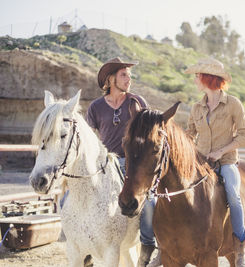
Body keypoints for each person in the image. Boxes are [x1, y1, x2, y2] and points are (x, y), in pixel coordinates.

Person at [86, 57, 160, 267]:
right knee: (75, 198)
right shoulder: (95, 107)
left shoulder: (137, 102)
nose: (129, 79)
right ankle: (86, 247)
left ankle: (147, 247)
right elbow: (91, 139)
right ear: (111, 80)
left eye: (129, 75)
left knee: (150, 202)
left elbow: (149, 135)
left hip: (133, 165)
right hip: (105, 164)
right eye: (124, 75)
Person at [185, 58, 245, 267]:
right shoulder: (196, 108)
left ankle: (240, 245)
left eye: (197, 76)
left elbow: (244, 136)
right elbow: (189, 135)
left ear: (208, 78)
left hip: (226, 162)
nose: (195, 80)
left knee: (233, 194)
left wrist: (220, 152)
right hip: (200, 164)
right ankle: (169, 245)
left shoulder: (233, 104)